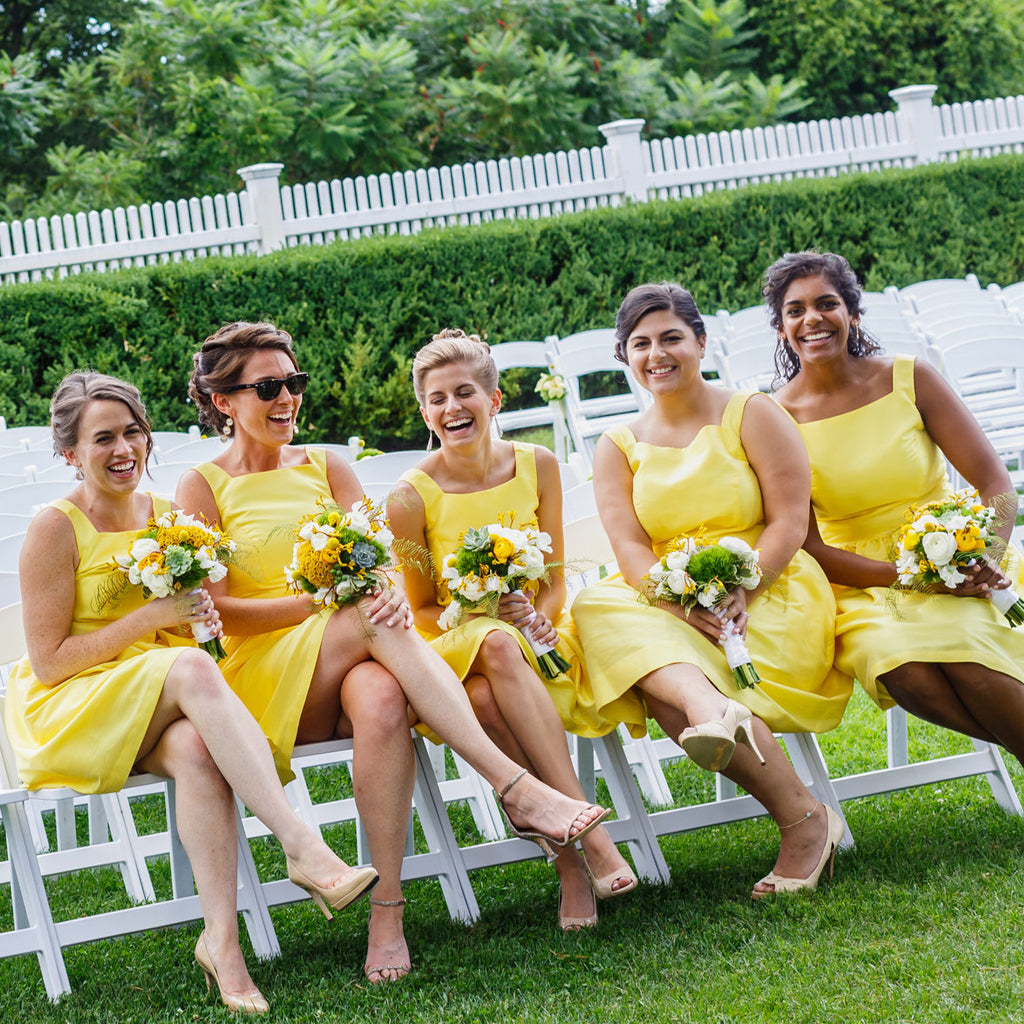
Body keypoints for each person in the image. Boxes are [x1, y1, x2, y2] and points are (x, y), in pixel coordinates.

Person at [178, 322, 611, 980]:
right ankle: (516, 786)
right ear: (222, 401)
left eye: (293, 382)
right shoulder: (203, 485)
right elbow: (217, 614)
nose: (287, 397)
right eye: (267, 386)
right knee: (370, 619)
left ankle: (387, 912)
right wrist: (328, 607)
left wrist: (380, 599)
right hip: (261, 672)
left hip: (347, 661)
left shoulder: (328, 466)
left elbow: (379, 569)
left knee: (381, 697)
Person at [5, 371, 383, 1015]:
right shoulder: (55, 528)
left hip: (160, 694)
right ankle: (301, 844)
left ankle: (223, 948)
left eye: (133, 432)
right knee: (192, 672)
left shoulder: (171, 519)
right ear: (69, 452)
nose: (124, 449)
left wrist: (196, 622)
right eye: (103, 439)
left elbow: (188, 632)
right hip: (76, 702)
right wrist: (153, 620)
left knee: (198, 749)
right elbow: (48, 663)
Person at [570, 283, 854, 898]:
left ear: (700, 342)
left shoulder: (751, 412)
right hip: (672, 602)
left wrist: (743, 589)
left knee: (670, 695)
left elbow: (789, 523)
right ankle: (788, 800)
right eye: (640, 344)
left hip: (767, 590)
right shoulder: (617, 444)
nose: (658, 354)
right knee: (595, 602)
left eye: (671, 338)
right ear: (626, 357)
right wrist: (676, 599)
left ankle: (795, 813)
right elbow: (630, 552)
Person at [387, 328, 647, 931]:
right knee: (494, 647)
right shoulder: (409, 497)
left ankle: (569, 869)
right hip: (451, 645)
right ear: (424, 411)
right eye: (437, 399)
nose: (452, 408)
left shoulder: (539, 464)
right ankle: (595, 838)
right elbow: (421, 609)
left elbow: (552, 578)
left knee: (488, 688)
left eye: (465, 393)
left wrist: (539, 617)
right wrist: (478, 621)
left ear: (495, 400)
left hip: (532, 642)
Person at [765, 250, 1024, 761]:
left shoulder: (910, 378)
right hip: (860, 581)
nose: (811, 319)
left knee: (970, 665)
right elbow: (808, 544)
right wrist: (908, 578)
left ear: (852, 314)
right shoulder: (773, 417)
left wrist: (987, 555)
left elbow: (995, 482)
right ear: (781, 329)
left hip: (957, 553)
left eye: (826, 304)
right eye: (795, 310)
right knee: (900, 666)